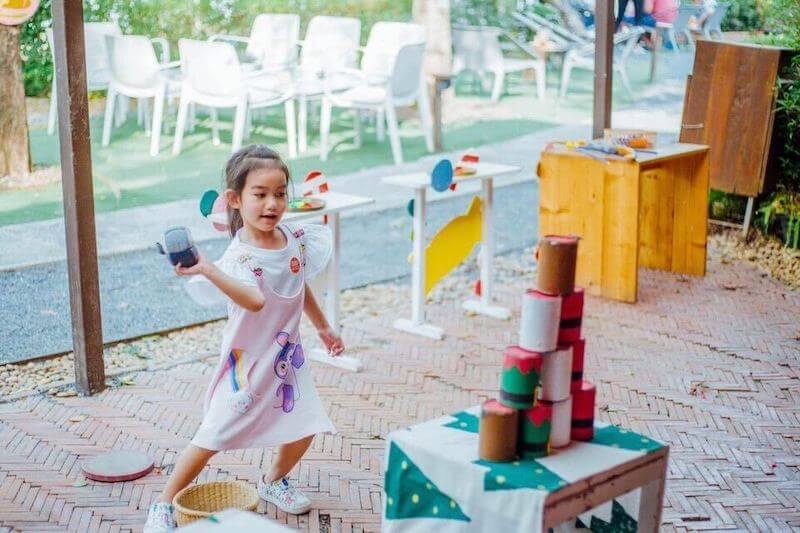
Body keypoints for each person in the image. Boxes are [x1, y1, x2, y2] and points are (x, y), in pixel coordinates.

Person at [143, 144, 344, 532]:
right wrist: (206, 268)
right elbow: (253, 299)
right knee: (215, 432)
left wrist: (323, 327)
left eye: (280, 193)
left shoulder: (293, 238)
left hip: (286, 357)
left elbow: (299, 285)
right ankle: (164, 505)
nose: (272, 203)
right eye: (260, 194)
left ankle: (273, 481)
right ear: (235, 200)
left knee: (307, 424)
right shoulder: (239, 257)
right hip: (247, 363)